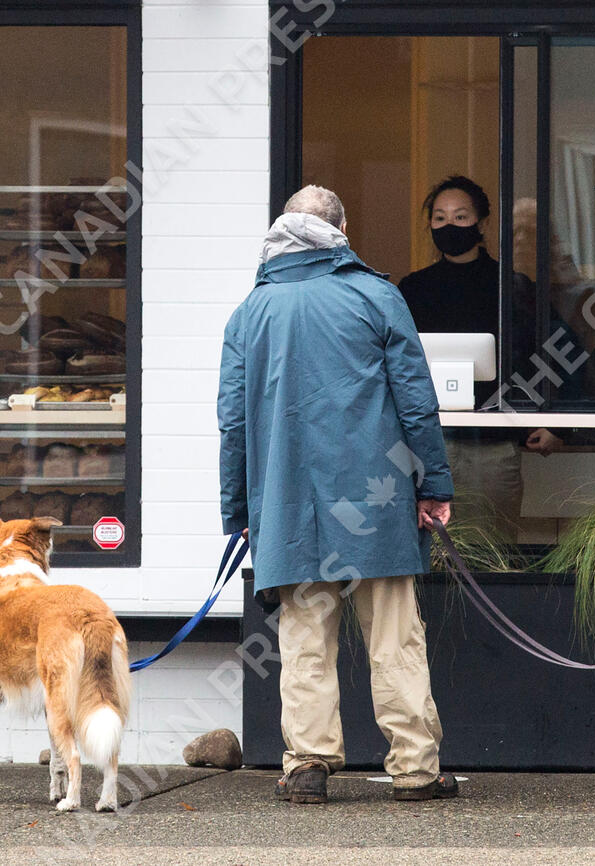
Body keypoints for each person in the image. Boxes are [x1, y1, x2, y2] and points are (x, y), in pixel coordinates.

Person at [217, 185, 458, 805]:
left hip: (288, 504)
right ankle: (415, 770)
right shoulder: (376, 296)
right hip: (377, 498)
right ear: (341, 231)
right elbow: (416, 401)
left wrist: (239, 511)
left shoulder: (250, 312)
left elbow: (233, 423)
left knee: (303, 639)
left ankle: (307, 765)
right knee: (395, 637)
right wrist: (433, 484)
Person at [397, 176, 572, 533]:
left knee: (493, 548)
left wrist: (556, 422)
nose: (449, 225)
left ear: (482, 223)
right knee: (429, 553)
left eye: (460, 217)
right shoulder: (413, 289)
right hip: (427, 443)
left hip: (494, 443)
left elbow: (560, 350)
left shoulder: (511, 286)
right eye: (440, 217)